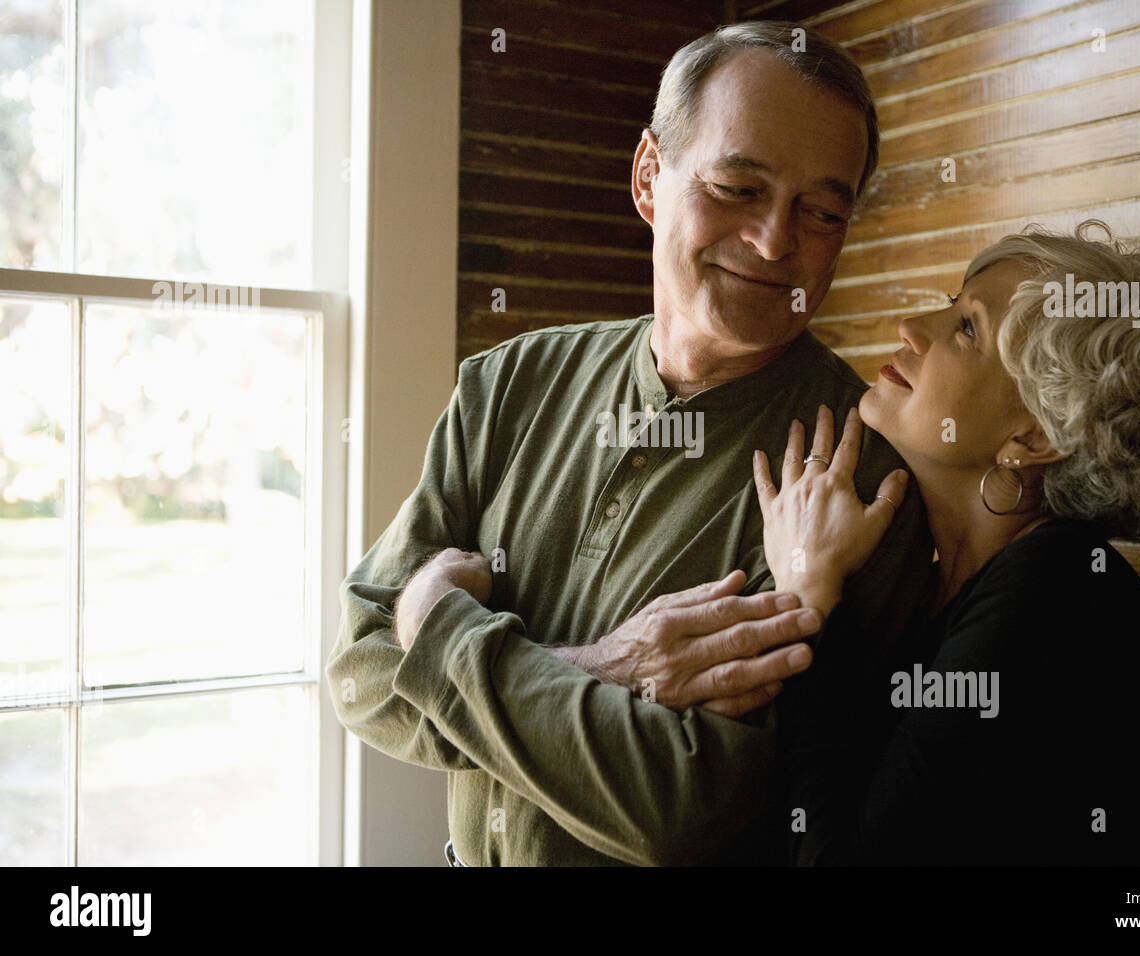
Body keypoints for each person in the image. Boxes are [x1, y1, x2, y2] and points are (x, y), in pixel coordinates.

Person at [325, 21, 934, 866]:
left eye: (822, 211)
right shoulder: (506, 385)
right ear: (650, 175)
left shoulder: (857, 476)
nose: (773, 242)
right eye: (737, 186)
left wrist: (437, 624)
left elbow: (680, 810)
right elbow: (358, 675)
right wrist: (608, 668)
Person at [755, 221, 1140, 865]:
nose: (912, 326)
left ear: (1035, 438)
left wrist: (806, 597)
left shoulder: (1062, 593)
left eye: (966, 329)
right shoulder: (957, 580)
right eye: (951, 306)